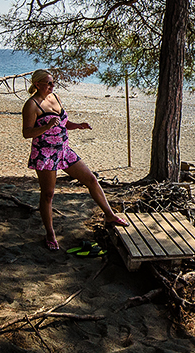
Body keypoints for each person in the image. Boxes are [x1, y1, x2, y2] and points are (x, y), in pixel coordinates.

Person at [23, 69, 127, 250]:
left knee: (91, 180)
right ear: (37, 84)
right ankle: (50, 233)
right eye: (48, 83)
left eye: (53, 82)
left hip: (64, 150)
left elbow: (62, 123)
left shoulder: (55, 97)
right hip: (45, 154)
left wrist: (77, 126)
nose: (52, 86)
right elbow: (27, 133)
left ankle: (109, 214)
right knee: (48, 194)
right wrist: (46, 126)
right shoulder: (32, 105)